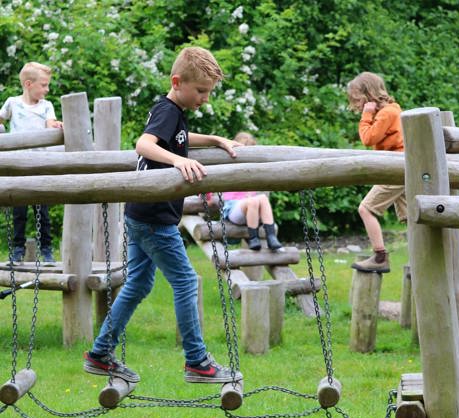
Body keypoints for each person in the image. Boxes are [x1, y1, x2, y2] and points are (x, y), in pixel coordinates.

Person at [83, 47, 243, 385]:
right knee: (185, 281)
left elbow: (177, 140)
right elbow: (144, 144)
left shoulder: (174, 113)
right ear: (177, 82)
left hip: (141, 215)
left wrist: (212, 139)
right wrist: (177, 161)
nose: (205, 98)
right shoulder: (167, 110)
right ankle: (197, 362)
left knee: (139, 283)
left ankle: (99, 354)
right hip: (155, 219)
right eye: (201, 91)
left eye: (208, 92)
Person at [0, 62, 63, 266]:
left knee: (42, 211)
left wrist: (56, 125)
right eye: (43, 85)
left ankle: (46, 250)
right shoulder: (12, 103)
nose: (46, 89)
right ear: (28, 84)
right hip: (17, 165)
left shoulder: (46, 106)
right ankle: (17, 250)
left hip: (39, 165)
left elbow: (50, 124)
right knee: (18, 211)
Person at [347, 72, 405, 274]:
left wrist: (366, 115)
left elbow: (368, 138)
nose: (355, 104)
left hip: (396, 168)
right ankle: (423, 258)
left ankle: (380, 257)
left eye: (357, 99)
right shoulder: (392, 110)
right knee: (411, 216)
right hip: (401, 167)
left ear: (368, 94)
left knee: (366, 208)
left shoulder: (386, 113)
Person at [220, 131, 283, 251]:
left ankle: (271, 237)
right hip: (233, 210)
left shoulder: (253, 169)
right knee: (252, 201)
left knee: (262, 199)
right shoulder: (228, 167)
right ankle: (254, 238)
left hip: (252, 210)